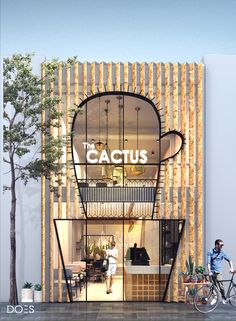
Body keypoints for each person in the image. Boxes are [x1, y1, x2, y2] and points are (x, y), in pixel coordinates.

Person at [207, 239, 234, 304]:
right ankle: (215, 297)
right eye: (221, 245)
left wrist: (231, 268)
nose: (222, 247)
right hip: (212, 272)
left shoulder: (222, 253)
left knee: (221, 286)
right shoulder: (210, 252)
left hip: (218, 272)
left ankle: (224, 298)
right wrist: (209, 271)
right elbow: (208, 263)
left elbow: (229, 260)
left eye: (222, 245)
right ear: (216, 245)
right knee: (211, 285)